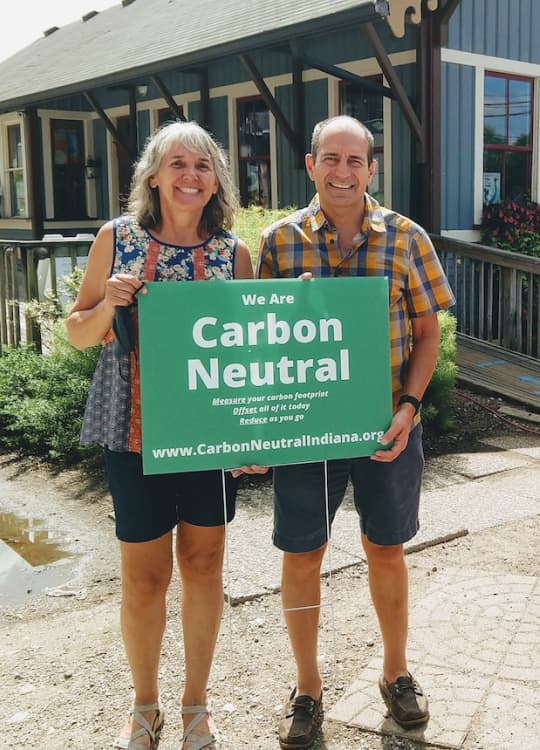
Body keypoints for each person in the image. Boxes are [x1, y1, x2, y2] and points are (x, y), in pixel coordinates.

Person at [255, 115, 456, 749]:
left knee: (387, 549)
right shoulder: (277, 243)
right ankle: (307, 687)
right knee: (302, 554)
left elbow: (428, 333)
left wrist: (409, 407)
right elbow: (257, 340)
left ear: (372, 169)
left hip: (386, 428)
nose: (343, 171)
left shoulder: (407, 238)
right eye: (330, 159)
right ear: (310, 166)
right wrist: (251, 434)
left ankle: (396, 672)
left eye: (356, 160)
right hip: (306, 431)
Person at [67, 121, 254, 750]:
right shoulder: (115, 241)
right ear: (154, 174)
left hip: (207, 435)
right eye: (178, 164)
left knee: (204, 568)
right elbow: (77, 333)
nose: (190, 176)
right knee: (144, 577)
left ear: (215, 182)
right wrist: (107, 305)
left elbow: (254, 351)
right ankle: (143, 706)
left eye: (203, 167)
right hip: (135, 430)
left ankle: (195, 705)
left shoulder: (234, 254)